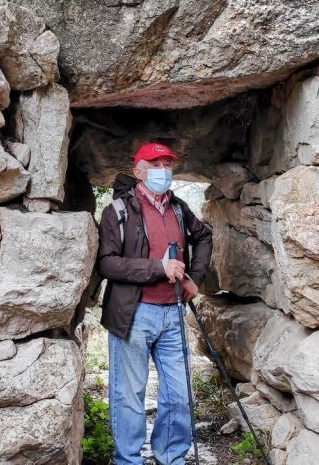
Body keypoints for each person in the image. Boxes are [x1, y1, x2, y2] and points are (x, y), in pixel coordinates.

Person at [96, 142, 213, 465]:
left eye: (167, 164)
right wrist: (158, 268)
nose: (163, 171)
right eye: (155, 165)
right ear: (139, 172)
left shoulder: (179, 208)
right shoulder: (117, 211)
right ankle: (128, 460)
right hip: (133, 315)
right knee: (129, 396)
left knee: (179, 395)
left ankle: (170, 457)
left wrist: (195, 278)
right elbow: (107, 263)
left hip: (173, 312)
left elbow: (204, 236)